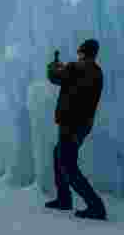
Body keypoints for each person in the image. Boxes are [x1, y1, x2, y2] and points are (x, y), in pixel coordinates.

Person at [44, 38, 107, 221]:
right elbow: (72, 78)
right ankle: (64, 198)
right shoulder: (96, 72)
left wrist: (53, 66)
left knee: (68, 165)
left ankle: (95, 206)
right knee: (60, 155)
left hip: (69, 124)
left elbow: (56, 76)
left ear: (82, 52)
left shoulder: (76, 67)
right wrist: (65, 69)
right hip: (82, 125)